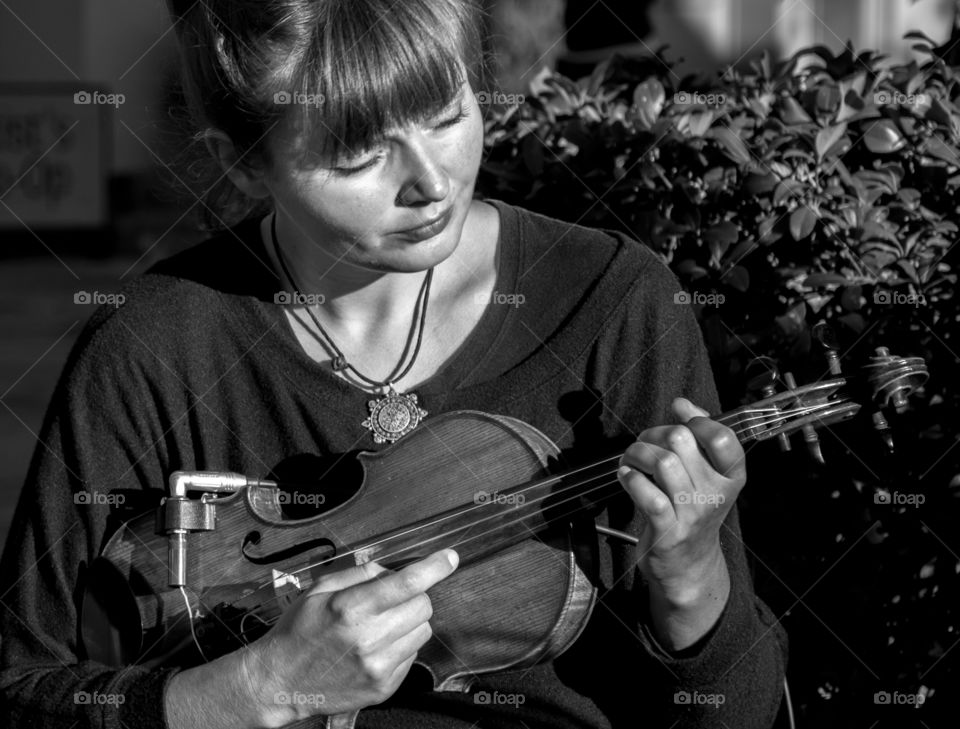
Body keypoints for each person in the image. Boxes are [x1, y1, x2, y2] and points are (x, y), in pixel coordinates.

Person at [0, 0, 788, 727]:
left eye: (448, 115)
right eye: (355, 158)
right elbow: (20, 685)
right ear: (243, 164)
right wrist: (255, 688)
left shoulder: (617, 301)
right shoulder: (155, 343)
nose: (431, 182)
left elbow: (737, 714)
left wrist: (689, 579)